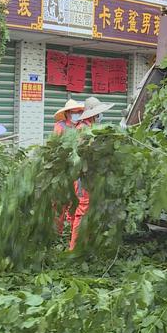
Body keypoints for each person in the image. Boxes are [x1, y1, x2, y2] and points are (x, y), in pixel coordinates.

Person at [68, 97, 113, 250]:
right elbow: (82, 153)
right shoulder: (83, 129)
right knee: (83, 209)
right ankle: (74, 249)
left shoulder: (90, 128)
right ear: (93, 114)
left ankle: (84, 244)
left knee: (87, 210)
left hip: (88, 175)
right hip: (82, 176)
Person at [52, 99, 84, 235]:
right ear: (67, 113)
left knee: (75, 201)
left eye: (79, 112)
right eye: (74, 112)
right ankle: (56, 233)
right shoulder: (60, 126)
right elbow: (56, 146)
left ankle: (72, 231)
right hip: (62, 169)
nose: (76, 114)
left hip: (76, 170)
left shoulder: (82, 127)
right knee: (59, 202)